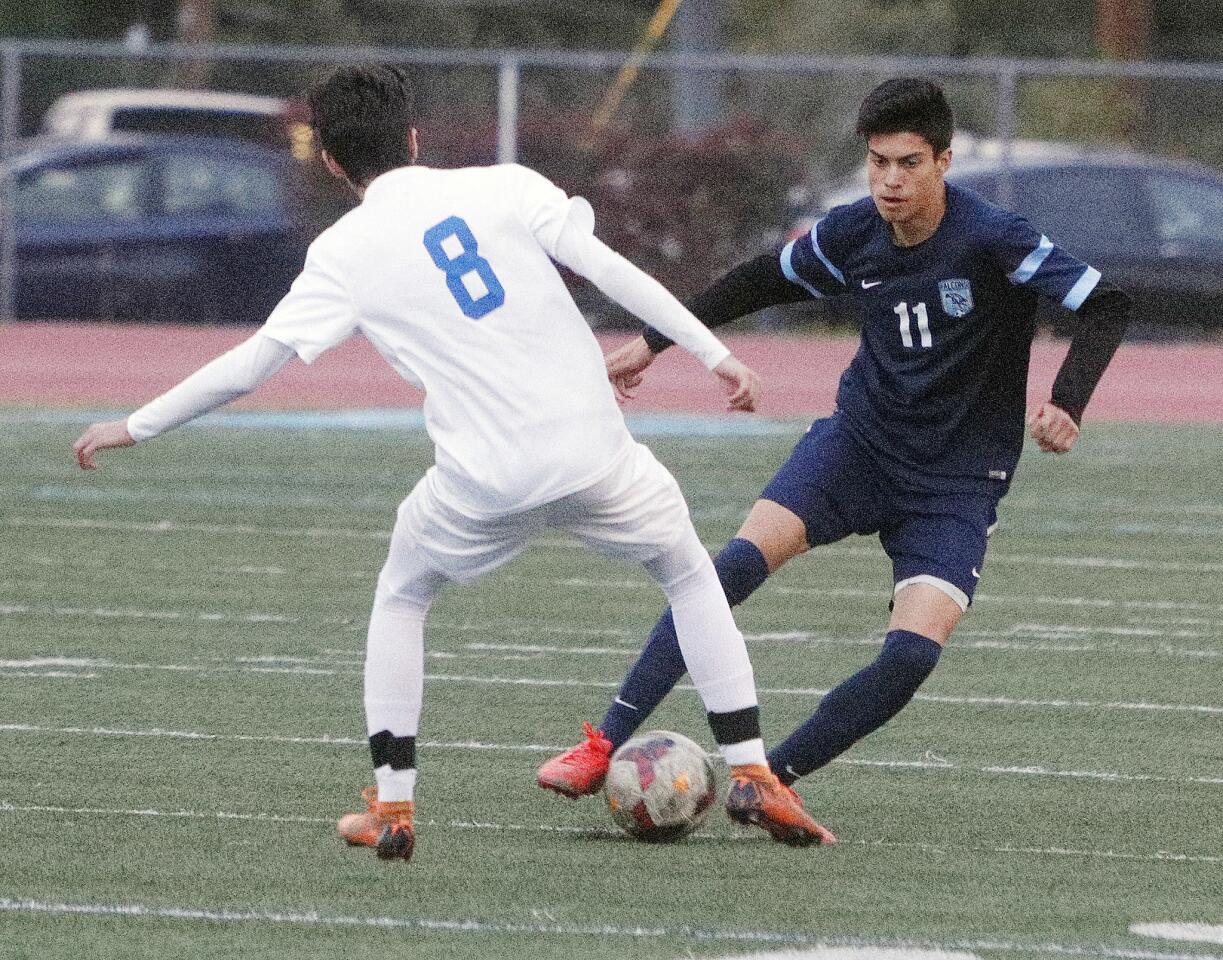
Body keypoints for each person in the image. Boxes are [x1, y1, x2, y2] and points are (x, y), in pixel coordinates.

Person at [72, 64, 835, 861]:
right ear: (412, 136)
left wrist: (136, 424)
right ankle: (751, 767)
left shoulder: (342, 251)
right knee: (687, 575)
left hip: (481, 481)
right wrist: (713, 353)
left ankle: (392, 807)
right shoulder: (505, 184)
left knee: (402, 597)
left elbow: (250, 364)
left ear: (331, 161)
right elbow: (610, 270)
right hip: (593, 454)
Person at [537, 78, 1132, 816]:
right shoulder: (854, 232)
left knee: (911, 657)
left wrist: (1066, 401)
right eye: (878, 161)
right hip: (856, 449)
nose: (888, 179)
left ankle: (768, 780)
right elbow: (755, 282)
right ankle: (603, 743)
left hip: (954, 482)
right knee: (721, 573)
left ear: (943, 161)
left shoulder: (992, 238)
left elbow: (1106, 302)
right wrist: (655, 342)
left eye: (907, 163)